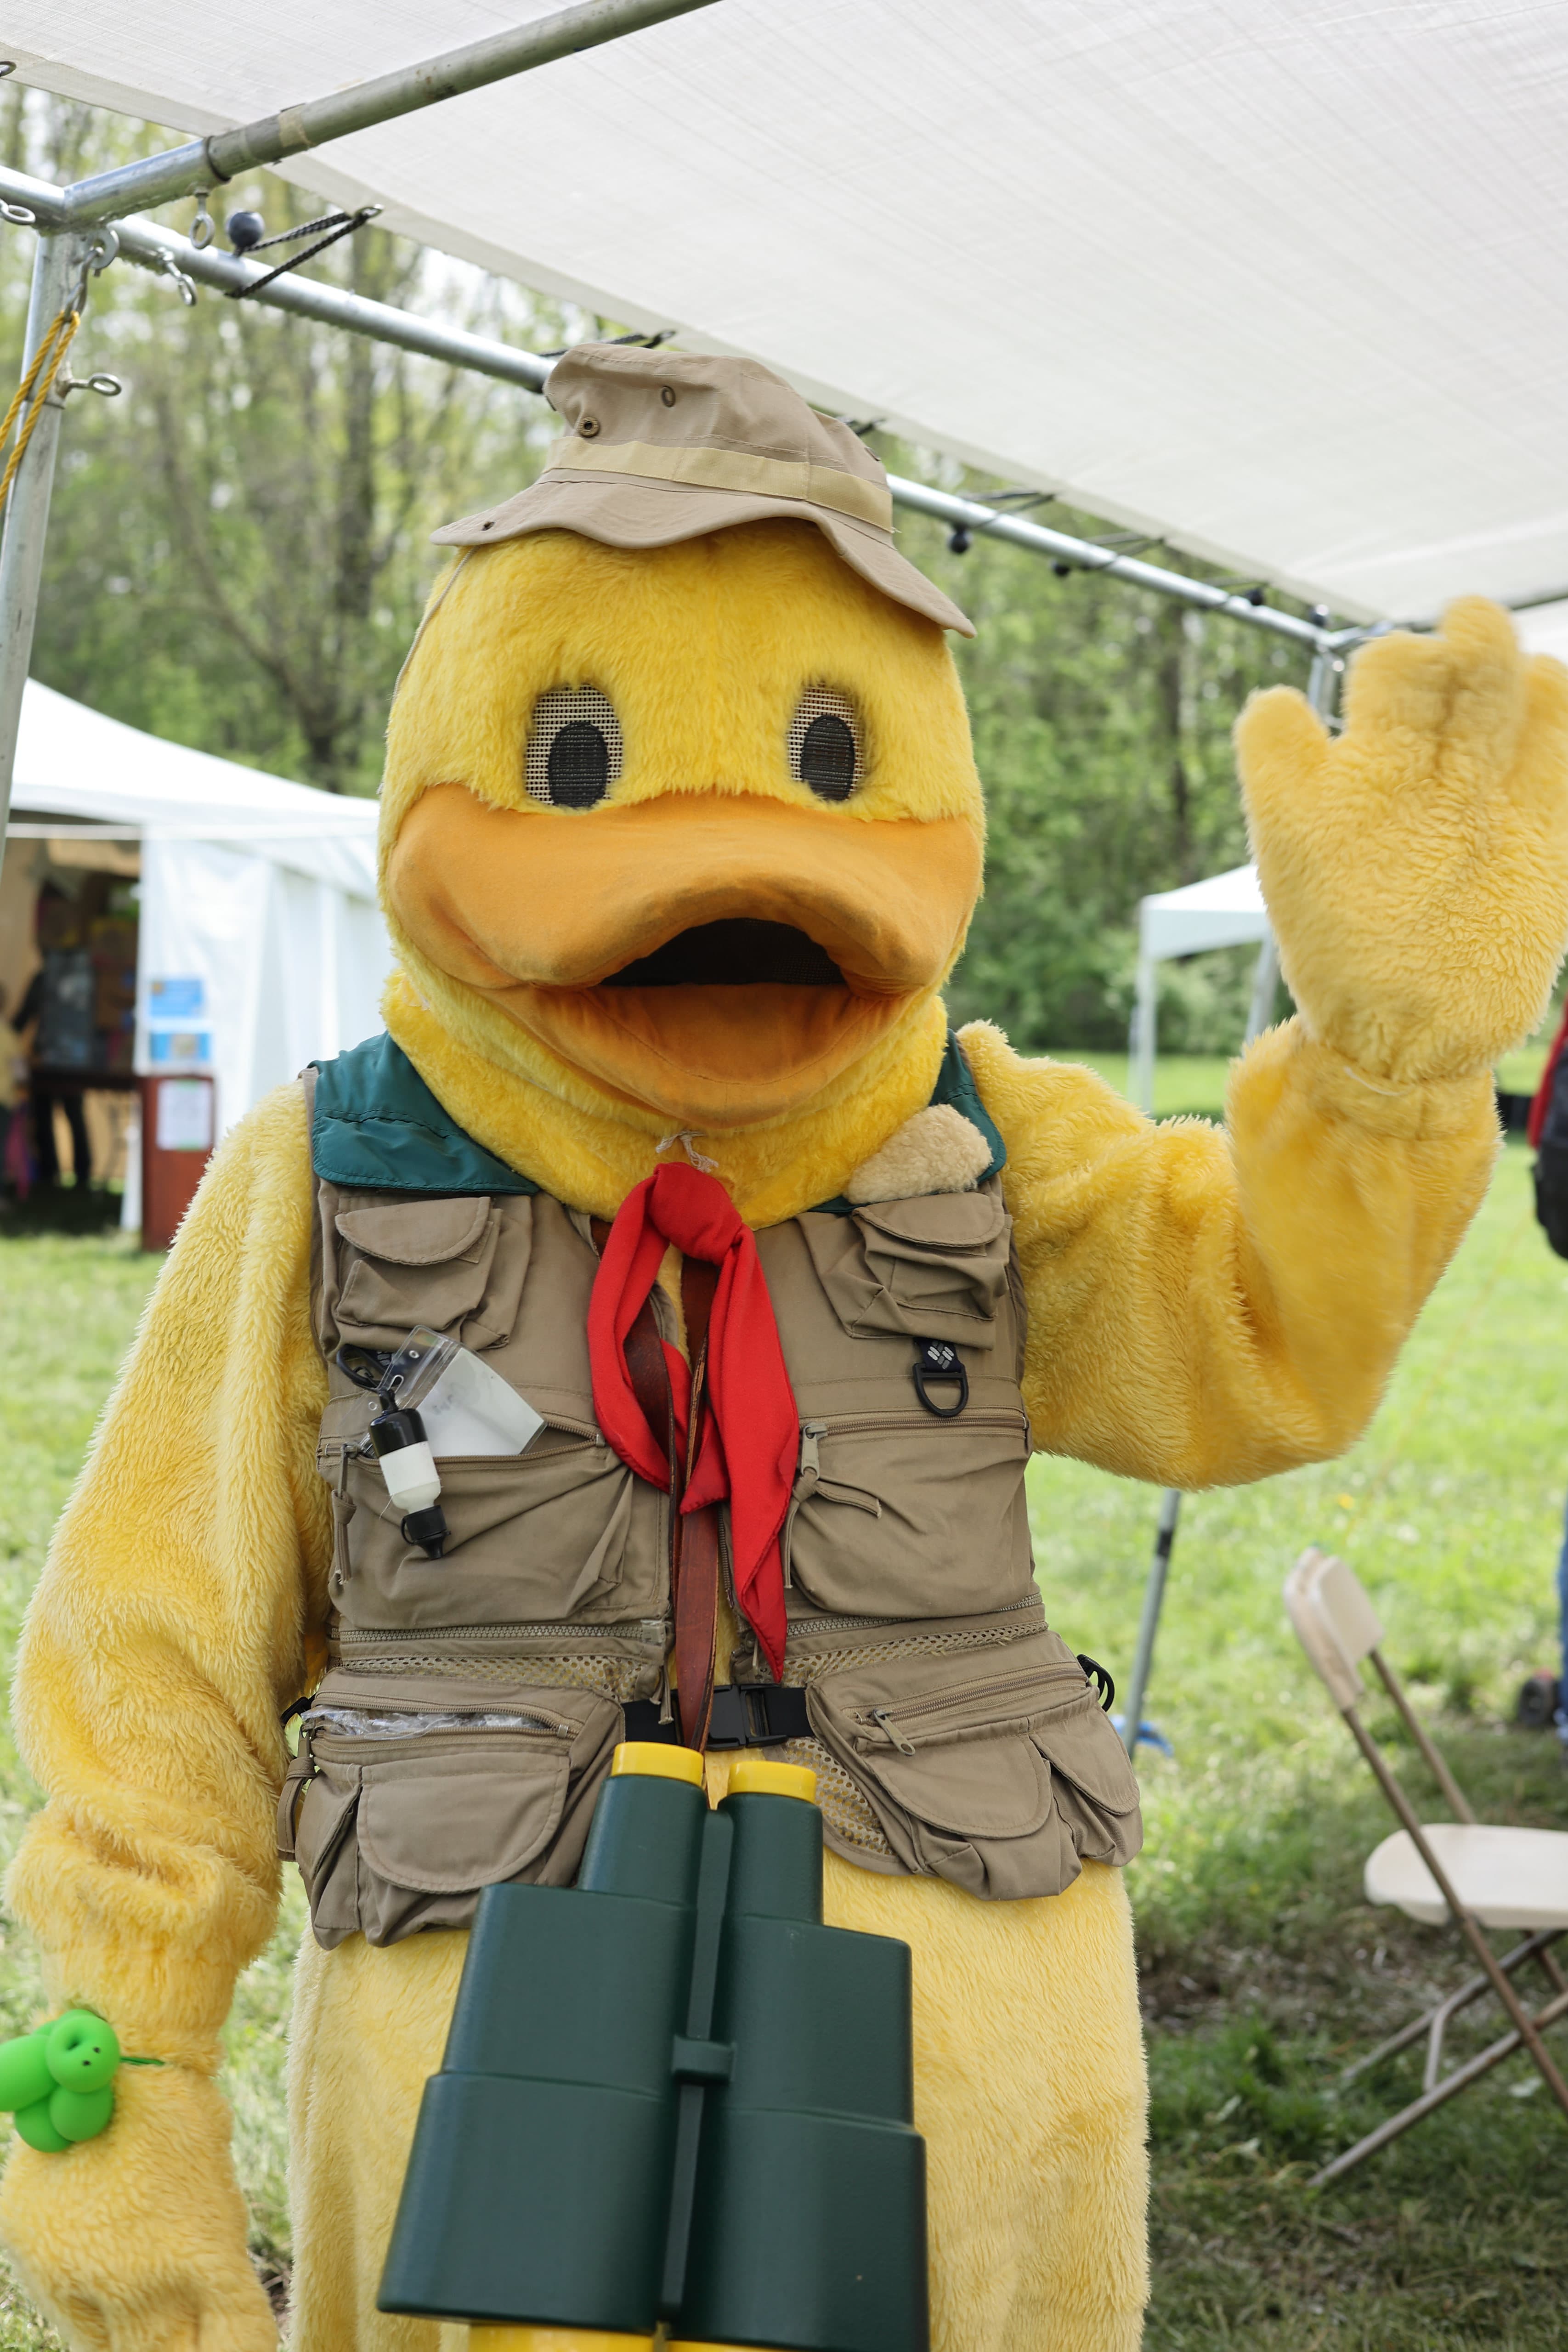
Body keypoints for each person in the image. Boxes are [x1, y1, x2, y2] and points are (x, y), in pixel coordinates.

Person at [16, 887, 93, 1188]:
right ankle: (77, 1177)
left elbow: (24, 1016)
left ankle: (56, 1177)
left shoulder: (49, 974)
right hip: (71, 1058)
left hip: (52, 1056)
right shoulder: (85, 973)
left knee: (56, 1115)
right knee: (69, 1115)